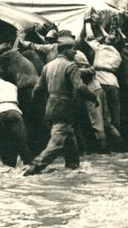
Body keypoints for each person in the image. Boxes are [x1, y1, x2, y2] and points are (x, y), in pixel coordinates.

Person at [22, 34, 98, 176]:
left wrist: (35, 104)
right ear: (65, 50)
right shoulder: (70, 66)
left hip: (50, 107)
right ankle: (33, 167)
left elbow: (38, 89)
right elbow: (80, 87)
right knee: (57, 142)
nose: (75, 52)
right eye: (73, 49)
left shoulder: (47, 66)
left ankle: (73, 167)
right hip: (64, 108)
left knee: (69, 139)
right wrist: (93, 97)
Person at [0, 65, 31, 166]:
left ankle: (7, 166)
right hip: (14, 111)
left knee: (5, 142)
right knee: (21, 141)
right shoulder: (13, 86)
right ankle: (28, 164)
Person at [85, 17, 122, 130]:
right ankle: (117, 137)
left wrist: (87, 23)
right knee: (114, 111)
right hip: (113, 82)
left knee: (99, 111)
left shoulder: (99, 48)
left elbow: (90, 38)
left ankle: (102, 138)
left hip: (99, 81)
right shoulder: (117, 55)